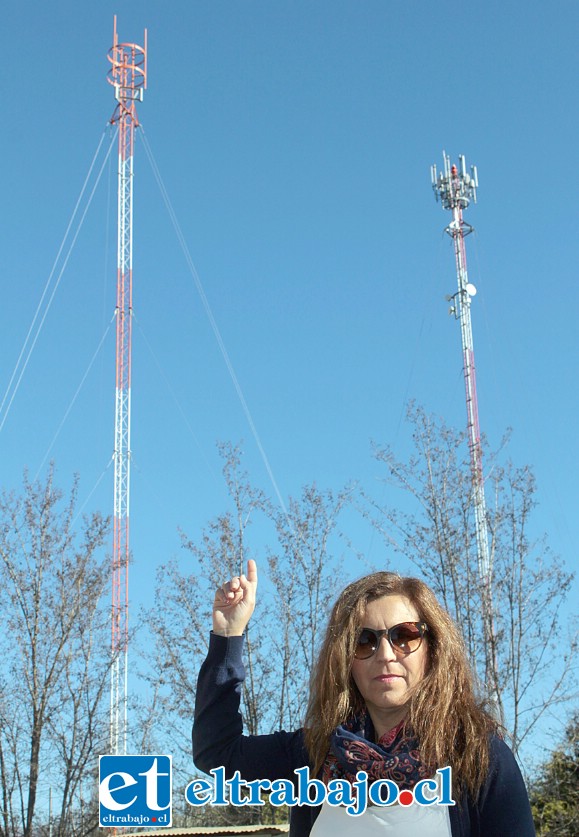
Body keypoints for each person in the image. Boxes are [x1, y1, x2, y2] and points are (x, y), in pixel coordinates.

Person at [193, 559, 536, 836]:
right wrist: (227, 635)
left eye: (404, 636)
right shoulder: (312, 755)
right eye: (364, 641)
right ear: (345, 660)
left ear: (432, 650)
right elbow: (218, 754)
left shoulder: (478, 758)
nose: (385, 654)